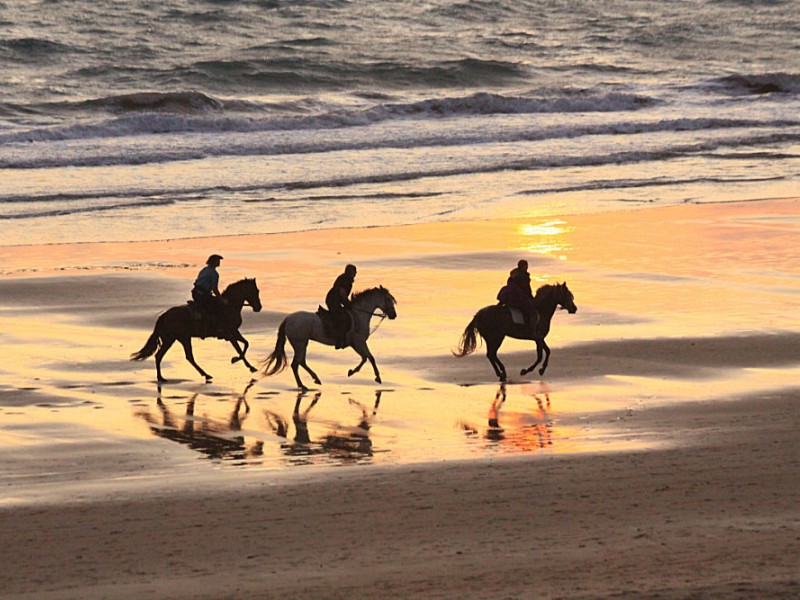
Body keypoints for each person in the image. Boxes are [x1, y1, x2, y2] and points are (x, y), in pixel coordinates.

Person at [497, 259, 537, 334]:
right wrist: (531, 298)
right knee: (531, 310)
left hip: (510, 293)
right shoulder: (523, 276)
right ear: (523, 266)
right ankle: (531, 329)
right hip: (518, 295)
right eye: (526, 266)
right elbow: (526, 288)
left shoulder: (515, 274)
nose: (527, 267)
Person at [325, 264, 357, 349]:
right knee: (341, 317)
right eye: (354, 271)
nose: (355, 273)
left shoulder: (347, 279)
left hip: (337, 301)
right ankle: (339, 340)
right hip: (333, 301)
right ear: (350, 272)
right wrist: (347, 303)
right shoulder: (345, 279)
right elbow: (342, 292)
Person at [192, 254, 223, 330]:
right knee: (216, 307)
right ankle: (213, 327)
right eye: (217, 261)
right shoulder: (214, 274)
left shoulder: (204, 270)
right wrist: (221, 299)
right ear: (214, 262)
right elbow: (214, 289)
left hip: (196, 293)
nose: (219, 262)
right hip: (203, 295)